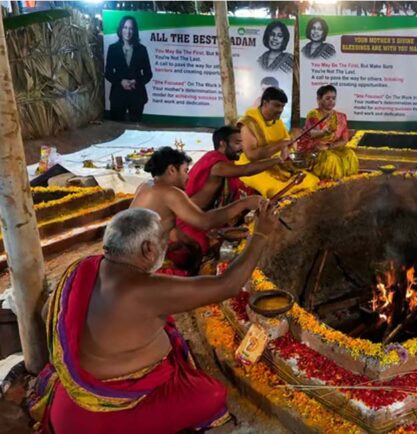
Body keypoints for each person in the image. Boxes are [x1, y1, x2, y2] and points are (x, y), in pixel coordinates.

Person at [28, 204, 280, 433]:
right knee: (212, 394)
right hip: (99, 417)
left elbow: (47, 311)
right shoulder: (145, 289)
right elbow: (227, 285)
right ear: (148, 249)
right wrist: (260, 234)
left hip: (68, 401)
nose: (167, 243)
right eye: (163, 238)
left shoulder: (83, 267)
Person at [130, 147, 264, 272]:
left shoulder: (145, 185)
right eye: (185, 171)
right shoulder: (170, 192)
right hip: (139, 264)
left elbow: (167, 225)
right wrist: (244, 203)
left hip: (129, 254)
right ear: (171, 170)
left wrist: (192, 245)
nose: (188, 177)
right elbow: (205, 221)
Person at [176, 126, 282, 256]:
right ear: (222, 143)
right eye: (237, 143)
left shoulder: (224, 162)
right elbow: (246, 170)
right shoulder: (216, 164)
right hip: (192, 222)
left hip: (207, 218)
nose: (242, 148)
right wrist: (278, 160)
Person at [237, 87, 320, 198]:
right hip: (253, 168)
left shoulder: (276, 121)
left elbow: (287, 144)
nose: (280, 110)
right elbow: (252, 155)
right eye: (276, 105)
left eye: (282, 106)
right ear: (265, 103)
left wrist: (292, 142)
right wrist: (280, 144)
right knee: (279, 191)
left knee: (311, 180)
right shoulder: (249, 123)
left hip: (275, 164)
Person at [297, 85, 358, 179]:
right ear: (319, 99)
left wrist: (329, 147)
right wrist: (323, 132)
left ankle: (347, 181)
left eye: (333, 98)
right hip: (314, 149)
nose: (331, 101)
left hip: (330, 148)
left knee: (350, 154)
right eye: (327, 98)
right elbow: (312, 133)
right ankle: (330, 184)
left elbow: (344, 140)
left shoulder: (341, 117)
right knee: (331, 159)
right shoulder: (314, 114)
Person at [105, 16, 153, 122]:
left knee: (136, 131)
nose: (128, 31)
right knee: (116, 130)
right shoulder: (113, 49)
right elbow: (108, 73)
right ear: (121, 29)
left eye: (131, 28)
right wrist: (121, 81)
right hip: (118, 96)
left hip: (137, 96)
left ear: (134, 31)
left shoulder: (142, 50)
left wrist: (137, 82)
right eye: (125, 28)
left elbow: (148, 74)